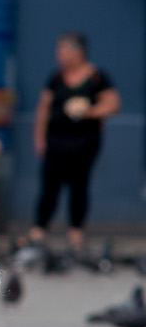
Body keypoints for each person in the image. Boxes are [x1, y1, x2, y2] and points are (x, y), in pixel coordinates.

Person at [30, 30, 118, 255]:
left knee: (79, 186)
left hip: (84, 142)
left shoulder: (97, 77)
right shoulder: (56, 78)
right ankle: (39, 232)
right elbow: (44, 108)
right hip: (56, 140)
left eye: (63, 50)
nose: (59, 55)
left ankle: (75, 235)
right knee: (50, 186)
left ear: (77, 52)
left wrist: (89, 111)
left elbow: (113, 103)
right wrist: (39, 138)